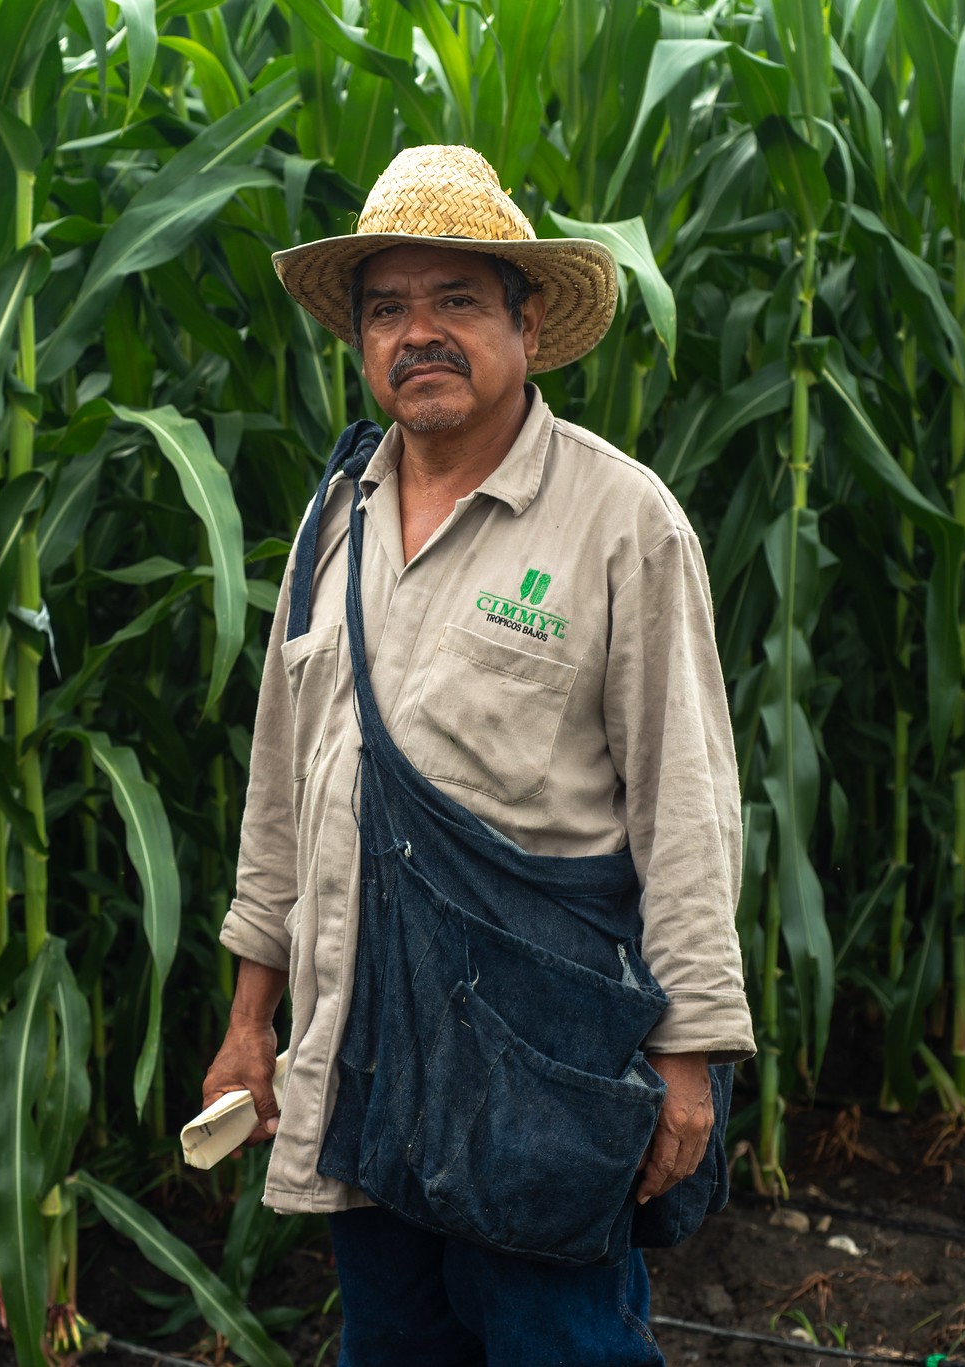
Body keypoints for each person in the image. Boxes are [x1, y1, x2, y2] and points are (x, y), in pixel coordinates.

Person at [202, 144, 757, 1365]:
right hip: (359, 1046)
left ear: (525, 320)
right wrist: (251, 1016)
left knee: (558, 1346)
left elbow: (687, 806)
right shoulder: (332, 512)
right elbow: (282, 774)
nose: (420, 334)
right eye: (388, 308)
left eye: (456, 299)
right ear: (360, 340)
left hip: (536, 1066)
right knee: (392, 1343)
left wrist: (688, 1059)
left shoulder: (621, 522)